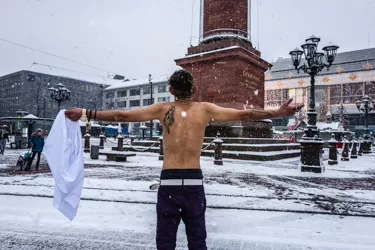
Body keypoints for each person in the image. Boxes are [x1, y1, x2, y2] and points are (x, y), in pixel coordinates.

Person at [65, 69, 303, 250]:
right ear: (194, 90)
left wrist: (86, 113)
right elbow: (246, 113)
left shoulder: (162, 109)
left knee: (165, 243)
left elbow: (122, 115)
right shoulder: (205, 110)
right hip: (193, 184)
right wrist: (278, 112)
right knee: (198, 242)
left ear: (171, 90)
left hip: (168, 183)